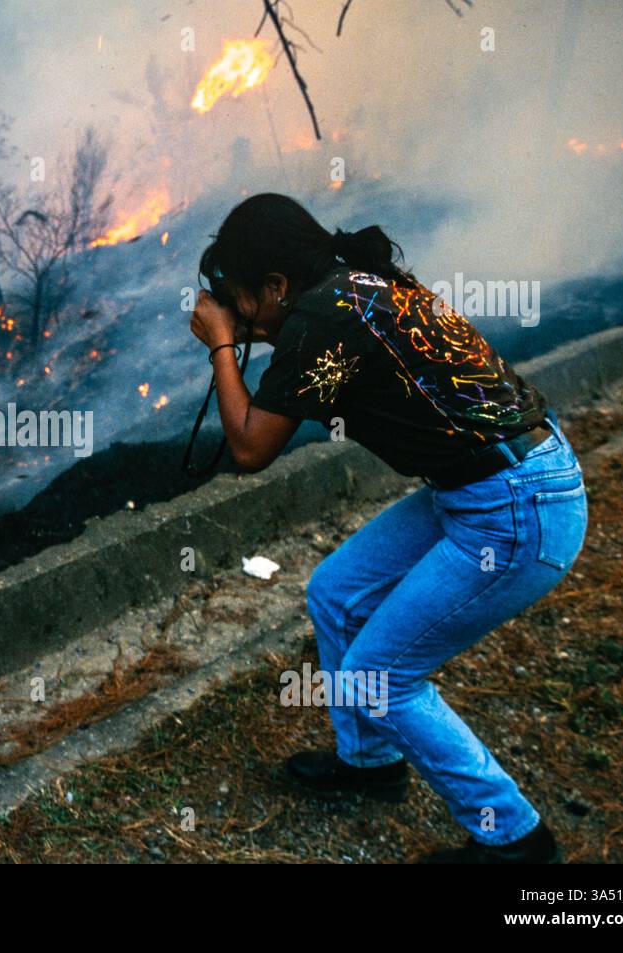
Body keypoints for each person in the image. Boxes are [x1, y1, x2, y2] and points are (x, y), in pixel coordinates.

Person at [189, 193, 587, 864]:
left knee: (381, 673)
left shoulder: (319, 316)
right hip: (491, 485)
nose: (236, 313)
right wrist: (248, 327)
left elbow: (251, 449)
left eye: (241, 297)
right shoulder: (354, 288)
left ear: (278, 285)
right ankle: (370, 761)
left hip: (517, 506)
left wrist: (223, 344)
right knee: (337, 591)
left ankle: (515, 838)